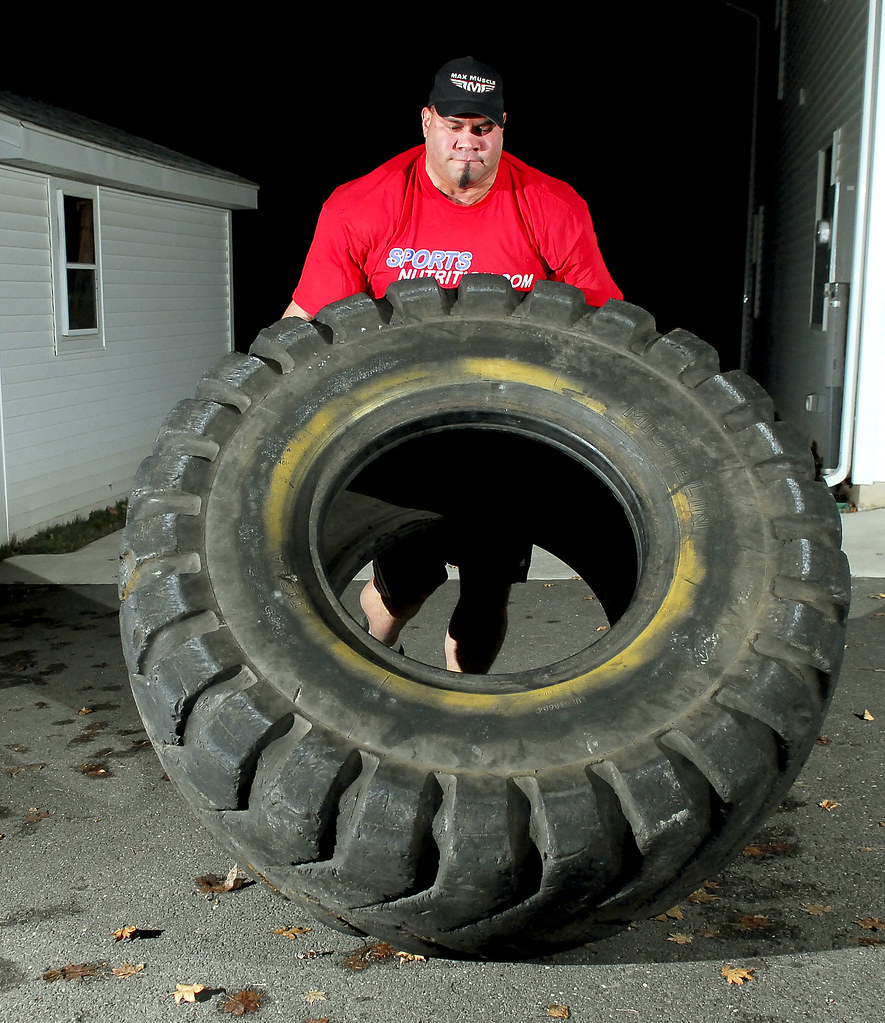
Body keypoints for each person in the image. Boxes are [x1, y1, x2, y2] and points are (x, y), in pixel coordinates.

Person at [282, 56, 622, 673]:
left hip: (506, 440)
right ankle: (365, 672)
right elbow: (304, 321)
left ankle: (462, 713)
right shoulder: (363, 205)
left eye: (483, 128)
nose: (468, 140)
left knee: (487, 592)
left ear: (502, 130)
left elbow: (605, 333)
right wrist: (255, 403)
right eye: (454, 124)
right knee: (403, 586)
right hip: (403, 441)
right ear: (426, 121)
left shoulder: (552, 204)